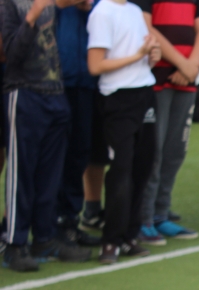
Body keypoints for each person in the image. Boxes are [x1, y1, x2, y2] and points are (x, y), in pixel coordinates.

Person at [2, 0, 93, 272]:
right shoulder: (8, 4)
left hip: (55, 95)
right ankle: (15, 244)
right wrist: (32, 15)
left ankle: (45, 238)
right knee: (22, 175)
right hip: (24, 93)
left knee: (50, 177)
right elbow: (11, 52)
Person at [87, 0, 163, 264]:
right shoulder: (102, 12)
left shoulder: (133, 11)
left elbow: (144, 58)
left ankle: (130, 235)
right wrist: (138, 54)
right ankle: (111, 240)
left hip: (144, 94)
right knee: (121, 169)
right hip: (118, 99)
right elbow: (95, 66)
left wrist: (151, 57)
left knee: (143, 165)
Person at [135, 0, 199, 243]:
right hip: (156, 79)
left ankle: (160, 213)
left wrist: (190, 67)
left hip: (186, 80)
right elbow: (146, 26)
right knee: (153, 151)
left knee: (175, 150)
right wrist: (182, 62)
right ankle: (143, 218)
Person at [55, 0, 103, 249]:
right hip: (53, 80)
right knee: (52, 157)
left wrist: (90, 6)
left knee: (79, 153)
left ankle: (70, 222)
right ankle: (46, 225)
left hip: (85, 79)